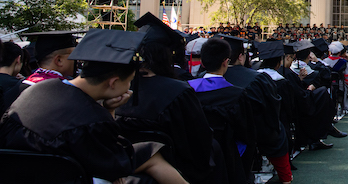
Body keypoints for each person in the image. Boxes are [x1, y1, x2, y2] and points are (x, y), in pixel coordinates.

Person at [0, 29, 188, 183]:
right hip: (70, 177)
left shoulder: (39, 88)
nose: (130, 87)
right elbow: (114, 164)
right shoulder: (92, 120)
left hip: (19, 174)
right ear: (113, 82)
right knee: (152, 156)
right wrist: (109, 112)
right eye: (129, 81)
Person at [115, 13, 215, 184]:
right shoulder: (178, 92)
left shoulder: (114, 90)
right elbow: (198, 143)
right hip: (172, 172)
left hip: (118, 170)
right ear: (166, 55)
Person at [217, 34, 293, 184]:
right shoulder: (257, 78)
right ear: (240, 57)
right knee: (277, 130)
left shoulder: (202, 80)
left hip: (217, 136)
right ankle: (285, 176)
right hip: (251, 133)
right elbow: (271, 108)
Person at [189, 38, 255, 184]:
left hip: (192, 156)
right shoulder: (236, 95)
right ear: (226, 62)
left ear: (202, 63)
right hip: (226, 159)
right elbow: (246, 133)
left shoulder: (187, 91)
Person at [2, 31, 82, 112]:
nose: (77, 59)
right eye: (73, 54)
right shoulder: (66, 92)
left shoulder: (19, 86)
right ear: (59, 60)